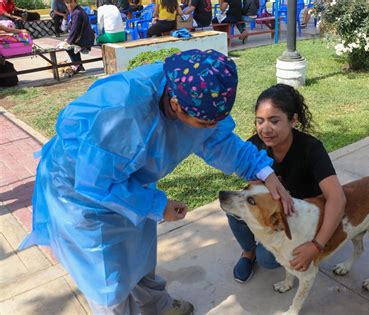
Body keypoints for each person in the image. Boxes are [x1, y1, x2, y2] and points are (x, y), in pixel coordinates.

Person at [18, 49, 293, 315]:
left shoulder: (197, 97)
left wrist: (263, 172)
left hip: (129, 185)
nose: (211, 128)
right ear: (175, 105)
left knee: (140, 256)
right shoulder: (119, 112)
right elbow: (96, 183)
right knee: (107, 281)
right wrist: (156, 204)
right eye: (203, 123)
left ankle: (157, 307)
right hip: (80, 195)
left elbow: (219, 139)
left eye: (215, 121)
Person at [228, 83, 346, 283]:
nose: (265, 129)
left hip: (301, 217)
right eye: (260, 121)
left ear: (293, 120)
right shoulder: (254, 146)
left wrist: (316, 245)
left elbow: (337, 198)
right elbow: (251, 188)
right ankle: (248, 253)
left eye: (274, 121)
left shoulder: (311, 149)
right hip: (273, 212)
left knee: (268, 259)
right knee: (234, 212)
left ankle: (263, 251)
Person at [63, 0, 95, 74]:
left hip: (85, 39)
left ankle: (78, 66)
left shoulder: (77, 13)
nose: (69, 4)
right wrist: (68, 39)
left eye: (71, 2)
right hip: (84, 38)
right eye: (67, 3)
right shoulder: (76, 11)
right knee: (69, 44)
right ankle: (79, 66)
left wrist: (68, 41)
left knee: (68, 46)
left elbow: (75, 30)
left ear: (75, 2)